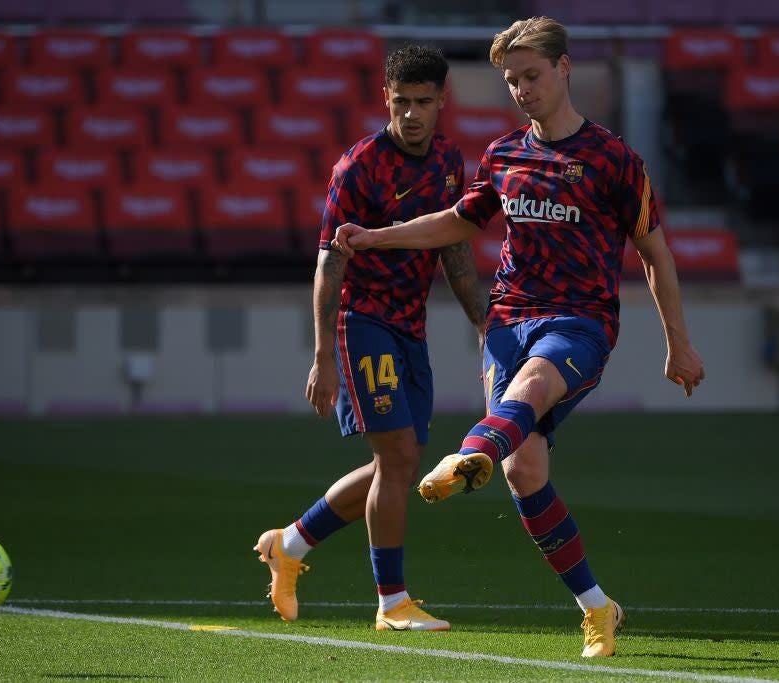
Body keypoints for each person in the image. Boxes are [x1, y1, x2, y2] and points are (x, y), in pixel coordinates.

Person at [333, 17, 705, 656]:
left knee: (531, 389)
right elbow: (456, 222)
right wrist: (376, 235)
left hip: (579, 322)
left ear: (564, 69)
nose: (522, 89)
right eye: (511, 81)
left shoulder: (615, 161)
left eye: (532, 75)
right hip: (508, 321)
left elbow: (655, 254)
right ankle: (598, 607)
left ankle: (464, 453)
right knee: (525, 469)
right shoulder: (503, 154)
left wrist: (679, 341)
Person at [254, 45, 487, 632]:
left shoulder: (449, 164)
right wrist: (322, 357)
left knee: (398, 468)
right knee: (400, 457)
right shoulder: (358, 167)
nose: (411, 114)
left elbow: (456, 250)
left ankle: (291, 545)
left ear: (441, 102)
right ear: (386, 97)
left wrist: (486, 322)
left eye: (424, 102)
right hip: (363, 324)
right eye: (401, 102)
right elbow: (329, 263)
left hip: (412, 330)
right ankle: (392, 603)